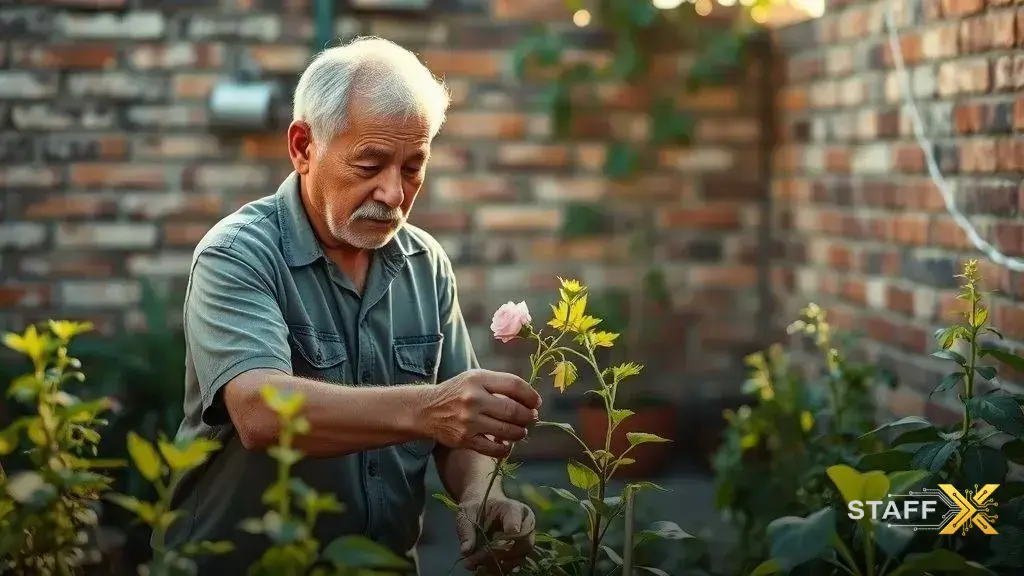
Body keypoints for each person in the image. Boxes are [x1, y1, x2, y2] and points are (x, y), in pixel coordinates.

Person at [163, 36, 541, 574]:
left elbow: (463, 428)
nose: (393, 192)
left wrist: (482, 494)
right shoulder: (237, 254)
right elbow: (260, 412)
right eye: (370, 165)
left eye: (414, 168)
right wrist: (428, 409)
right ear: (302, 147)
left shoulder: (425, 263)